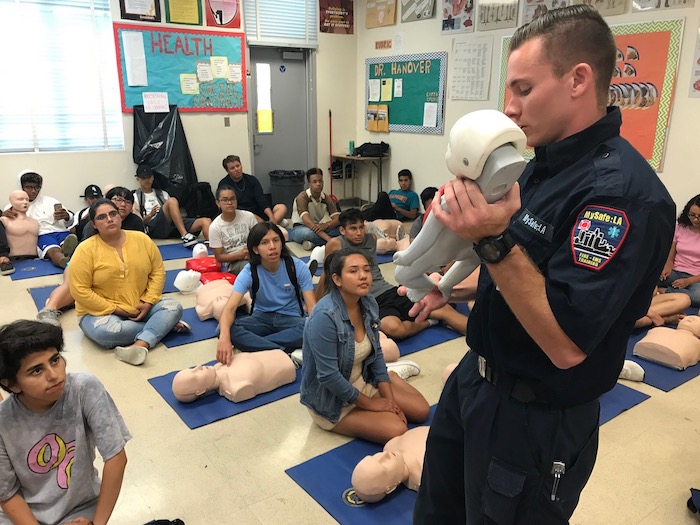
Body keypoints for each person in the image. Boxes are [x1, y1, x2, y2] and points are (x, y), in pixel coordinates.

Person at [412, 6, 675, 523]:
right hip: (474, 382)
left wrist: (490, 240)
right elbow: (527, 274)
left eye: (524, 89)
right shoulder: (537, 167)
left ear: (578, 80)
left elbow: (566, 344)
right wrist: (454, 289)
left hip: (534, 417)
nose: (509, 108)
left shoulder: (620, 198)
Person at [0, 320, 130, 525]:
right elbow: (7, 493)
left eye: (55, 360)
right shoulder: (3, 422)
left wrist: (96, 524)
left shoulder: (84, 388)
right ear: (12, 384)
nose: (54, 375)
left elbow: (116, 457)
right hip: (23, 514)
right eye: (36, 370)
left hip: (79, 507)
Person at [300, 248, 429, 444]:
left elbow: (376, 354)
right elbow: (329, 376)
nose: (363, 276)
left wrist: (390, 401)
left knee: (422, 411)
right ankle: (388, 381)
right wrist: (371, 404)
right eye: (353, 271)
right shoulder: (324, 317)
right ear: (337, 279)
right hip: (332, 400)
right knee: (397, 429)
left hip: (363, 380)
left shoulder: (368, 303)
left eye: (366, 270)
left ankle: (391, 376)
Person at [69, 199, 187, 366]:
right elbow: (80, 290)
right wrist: (117, 310)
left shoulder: (142, 239)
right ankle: (163, 326)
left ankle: (140, 344)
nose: (109, 219)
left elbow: (157, 272)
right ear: (94, 224)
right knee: (107, 333)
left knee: (174, 307)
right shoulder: (85, 250)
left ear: (120, 217)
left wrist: (148, 301)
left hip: (141, 305)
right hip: (100, 313)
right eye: (102, 217)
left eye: (113, 214)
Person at [320, 208, 468, 339]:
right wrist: (315, 304)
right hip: (369, 301)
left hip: (389, 291)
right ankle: (430, 322)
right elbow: (326, 274)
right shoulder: (336, 244)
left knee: (443, 310)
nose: (359, 233)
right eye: (353, 229)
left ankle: (480, 339)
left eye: (361, 227)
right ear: (342, 230)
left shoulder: (371, 238)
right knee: (395, 329)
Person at [36, 188, 145, 326]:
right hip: (89, 263)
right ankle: (49, 309)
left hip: (119, 268)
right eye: (118, 200)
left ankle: (70, 302)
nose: (123, 204)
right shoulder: (93, 225)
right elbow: (86, 254)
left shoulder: (136, 223)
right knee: (73, 284)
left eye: (127, 201)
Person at [216, 222, 316, 363]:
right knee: (222, 330)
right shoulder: (249, 272)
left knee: (313, 327)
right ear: (255, 249)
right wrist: (224, 338)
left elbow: (312, 307)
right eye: (265, 242)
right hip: (261, 319)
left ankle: (257, 345)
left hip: (292, 319)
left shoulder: (297, 267)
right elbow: (229, 308)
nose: (272, 247)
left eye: (276, 240)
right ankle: (282, 351)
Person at [2, 171, 78, 269]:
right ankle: (66, 263)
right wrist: (5, 216)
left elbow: (70, 223)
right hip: (42, 234)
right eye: (29, 187)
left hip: (61, 231)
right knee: (54, 251)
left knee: (74, 246)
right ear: (21, 187)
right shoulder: (12, 207)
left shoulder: (51, 201)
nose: (33, 191)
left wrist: (67, 217)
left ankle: (67, 253)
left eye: (37, 188)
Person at [172, 350, 297, 403]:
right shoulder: (236, 388)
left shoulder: (219, 366)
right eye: (195, 374)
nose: (199, 366)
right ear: (200, 391)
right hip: (287, 365)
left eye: (192, 369)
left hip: (278, 353)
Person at [132, 165, 211, 247]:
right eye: (143, 178)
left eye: (149, 177)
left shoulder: (163, 193)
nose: (147, 180)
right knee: (172, 201)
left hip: (171, 224)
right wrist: (150, 215)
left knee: (206, 221)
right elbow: (138, 223)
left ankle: (211, 246)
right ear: (138, 179)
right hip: (153, 227)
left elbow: (173, 212)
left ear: (153, 177)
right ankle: (184, 235)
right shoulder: (135, 197)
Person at [352, 426, 429, 502]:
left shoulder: (390, 446)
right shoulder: (426, 476)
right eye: (383, 464)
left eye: (374, 457)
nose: (383, 455)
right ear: (390, 488)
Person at [217, 154, 288, 225]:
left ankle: (270, 225)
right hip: (241, 214)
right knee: (253, 218)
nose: (236, 169)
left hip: (257, 210)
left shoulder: (252, 179)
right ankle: (272, 225)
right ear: (227, 171)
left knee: (282, 208)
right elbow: (229, 206)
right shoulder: (224, 184)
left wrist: (271, 217)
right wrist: (252, 216)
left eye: (238, 166)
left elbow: (261, 200)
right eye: (232, 168)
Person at [209, 185, 260, 275]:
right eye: (225, 200)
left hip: (254, 253)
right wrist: (240, 256)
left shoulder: (248, 216)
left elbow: (260, 238)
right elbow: (219, 257)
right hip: (234, 261)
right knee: (251, 269)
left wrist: (253, 251)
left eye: (232, 199)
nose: (230, 203)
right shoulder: (215, 227)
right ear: (218, 203)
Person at [659, 194, 700, 306]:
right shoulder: (681, 228)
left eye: (699, 216)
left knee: (698, 296)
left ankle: (665, 292)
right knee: (650, 276)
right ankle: (675, 294)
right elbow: (671, 255)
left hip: (696, 278)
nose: (695, 219)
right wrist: (667, 267)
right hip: (676, 271)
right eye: (692, 215)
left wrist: (688, 281)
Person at [290, 167, 341, 250]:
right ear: (309, 183)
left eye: (320, 181)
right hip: (300, 228)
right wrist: (329, 240)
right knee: (309, 234)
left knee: (343, 228)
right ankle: (335, 241)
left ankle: (313, 243)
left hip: (319, 226)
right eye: (314, 181)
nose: (318, 184)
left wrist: (326, 225)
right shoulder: (302, 197)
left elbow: (337, 218)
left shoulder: (326, 198)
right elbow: (309, 223)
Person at [633, 315, 700, 370]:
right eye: (685, 318)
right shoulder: (658, 329)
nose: (691, 318)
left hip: (676, 360)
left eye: (697, 320)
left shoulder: (696, 343)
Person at [0, 190, 40, 275]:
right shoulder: (4, 220)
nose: (25, 202)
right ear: (11, 202)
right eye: (20, 199)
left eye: (27, 199)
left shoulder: (35, 222)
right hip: (13, 261)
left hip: (37, 260)